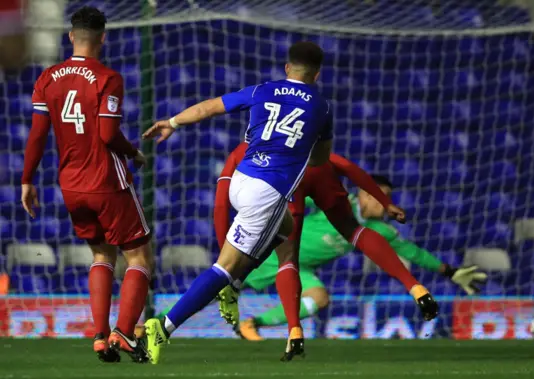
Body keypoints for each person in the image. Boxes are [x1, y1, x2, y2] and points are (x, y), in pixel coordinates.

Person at [142, 41, 382, 363]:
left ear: (287, 67)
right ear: (318, 74)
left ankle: (233, 285)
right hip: (266, 193)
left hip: (241, 181)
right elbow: (319, 160)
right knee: (224, 267)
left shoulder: (262, 90)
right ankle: (164, 326)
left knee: (285, 225)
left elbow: (208, 107)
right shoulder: (322, 107)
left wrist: (171, 123)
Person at [21, 6, 152, 363]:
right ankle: (124, 334)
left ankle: (98, 335)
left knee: (100, 254)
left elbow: (36, 134)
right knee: (140, 256)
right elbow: (108, 133)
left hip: (71, 185)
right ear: (103, 37)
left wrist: (27, 180)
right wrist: (134, 153)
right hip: (106, 181)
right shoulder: (107, 77)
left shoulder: (48, 77)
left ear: (71, 36)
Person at [209, 142, 441, 332]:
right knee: (217, 288)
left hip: (300, 267)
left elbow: (413, 252)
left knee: (319, 298)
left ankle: (252, 324)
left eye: (387, 197)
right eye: (381, 196)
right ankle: (173, 318)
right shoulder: (336, 200)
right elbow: (297, 197)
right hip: (271, 254)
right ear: (365, 195)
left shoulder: (379, 230)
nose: (384, 203)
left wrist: (448, 270)